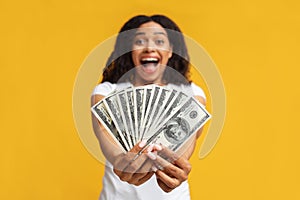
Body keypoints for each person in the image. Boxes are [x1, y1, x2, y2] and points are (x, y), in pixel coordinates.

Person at [91, 14, 207, 200]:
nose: (149, 47)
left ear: (170, 51)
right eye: (140, 41)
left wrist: (176, 166)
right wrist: (119, 160)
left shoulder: (191, 93)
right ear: (130, 50)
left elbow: (187, 139)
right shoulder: (107, 92)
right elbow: (104, 132)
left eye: (159, 41)